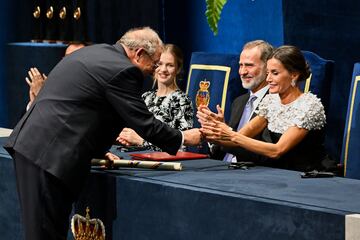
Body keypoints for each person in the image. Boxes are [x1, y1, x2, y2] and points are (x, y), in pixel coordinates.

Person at [4, 26, 201, 240]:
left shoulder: (93, 53)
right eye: (153, 64)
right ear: (139, 53)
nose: (153, 71)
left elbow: (91, 111)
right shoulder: (124, 70)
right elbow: (144, 123)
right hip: (49, 156)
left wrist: (95, 151)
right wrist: (183, 137)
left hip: (34, 148)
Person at [199, 45, 327, 172]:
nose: (268, 79)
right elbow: (237, 139)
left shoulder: (309, 106)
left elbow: (277, 150)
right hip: (276, 174)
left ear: (293, 75)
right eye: (267, 73)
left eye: (275, 73)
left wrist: (230, 134)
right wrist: (214, 130)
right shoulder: (271, 101)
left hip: (306, 176)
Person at [197, 40, 273, 163]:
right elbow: (221, 152)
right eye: (240, 65)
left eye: (249, 65)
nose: (242, 72)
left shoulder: (276, 102)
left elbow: (265, 157)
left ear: (267, 67)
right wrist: (216, 132)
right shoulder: (239, 102)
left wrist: (225, 135)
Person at [117, 44, 193, 151]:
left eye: (170, 65)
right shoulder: (146, 97)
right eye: (159, 64)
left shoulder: (182, 100)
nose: (163, 69)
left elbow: (182, 146)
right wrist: (129, 139)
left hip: (167, 165)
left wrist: (140, 141)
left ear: (178, 69)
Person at [25, 42, 86, 109]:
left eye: (76, 57)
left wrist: (42, 97)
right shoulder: (55, 85)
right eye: (67, 57)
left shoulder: (90, 90)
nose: (70, 62)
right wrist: (34, 103)